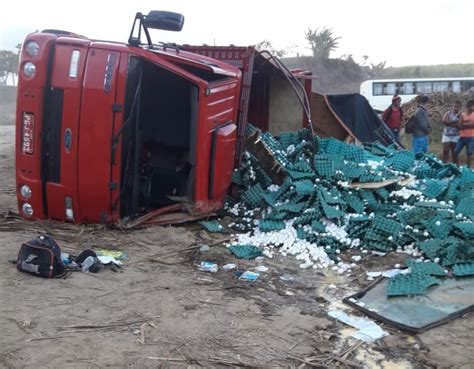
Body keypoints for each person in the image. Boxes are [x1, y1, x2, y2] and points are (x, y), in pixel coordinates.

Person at [454, 99, 474, 168]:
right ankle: (458, 167)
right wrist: (469, 124)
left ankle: (468, 169)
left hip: (471, 137)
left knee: (469, 153)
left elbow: (472, 125)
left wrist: (464, 124)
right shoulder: (463, 114)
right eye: (472, 106)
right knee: (456, 151)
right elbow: (459, 126)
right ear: (469, 107)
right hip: (462, 137)